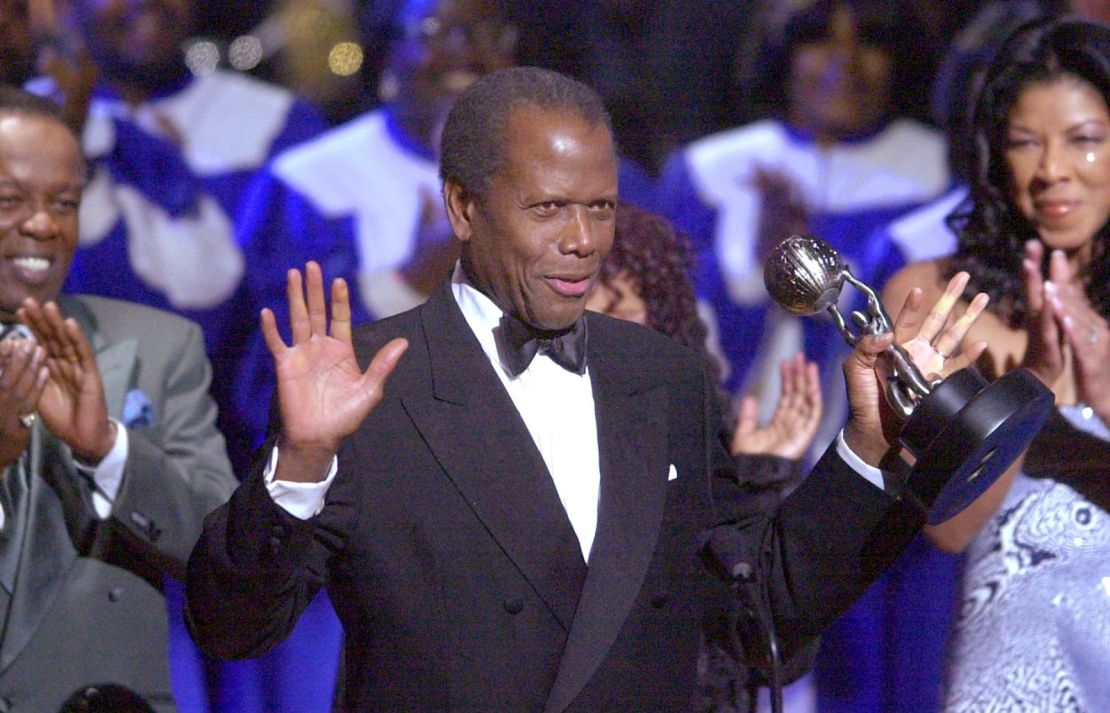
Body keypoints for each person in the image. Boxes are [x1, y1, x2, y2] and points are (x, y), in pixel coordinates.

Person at [186, 66, 987, 712]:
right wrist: (299, 464)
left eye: (600, 208)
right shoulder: (369, 382)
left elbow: (756, 610)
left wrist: (869, 447)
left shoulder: (661, 375)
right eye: (548, 209)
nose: (582, 242)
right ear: (463, 206)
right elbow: (232, 625)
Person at [882, 17, 1110, 711]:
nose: (1051, 171)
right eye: (1023, 143)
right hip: (1010, 673)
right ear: (991, 156)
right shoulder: (937, 300)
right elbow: (947, 526)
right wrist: (1032, 384)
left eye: (1085, 141)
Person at [0, 87, 235, 712]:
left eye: (65, 202)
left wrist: (108, 449)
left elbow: (226, 554)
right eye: (10, 200)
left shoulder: (160, 347)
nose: (43, 224)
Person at [25, 0, 328, 471]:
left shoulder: (277, 123)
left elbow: (301, 306)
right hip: (45, 447)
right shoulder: (19, 124)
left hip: (236, 446)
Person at [585, 203, 823, 711]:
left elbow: (776, 650)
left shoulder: (705, 441)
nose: (606, 336)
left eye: (622, 313)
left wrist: (760, 480)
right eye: (588, 318)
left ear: (664, 323)